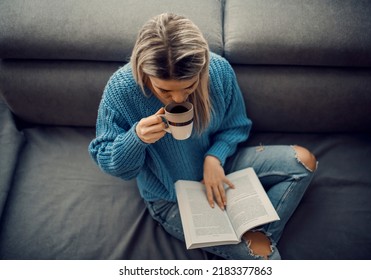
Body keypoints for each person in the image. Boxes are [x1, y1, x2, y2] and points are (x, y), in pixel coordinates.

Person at [89, 13, 317, 260]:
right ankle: (258, 241)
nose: (178, 99)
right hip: (170, 197)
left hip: (223, 168)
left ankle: (258, 232)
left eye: (189, 87)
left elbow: (236, 125)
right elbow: (116, 166)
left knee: (303, 161)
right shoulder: (121, 90)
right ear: (142, 72)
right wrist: (136, 139)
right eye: (164, 90)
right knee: (263, 256)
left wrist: (214, 158)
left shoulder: (218, 71)